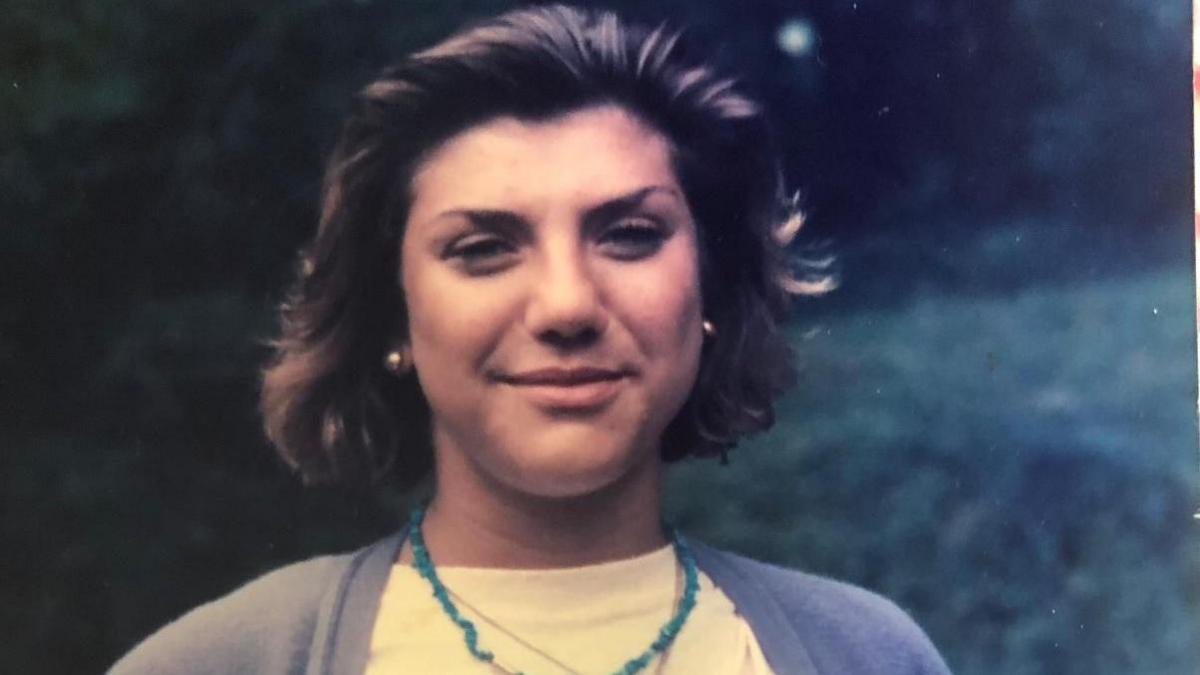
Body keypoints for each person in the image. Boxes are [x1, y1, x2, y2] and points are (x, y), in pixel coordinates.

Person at [110, 5, 950, 674]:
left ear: (711, 288)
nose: (566, 304)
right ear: (394, 316)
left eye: (627, 234)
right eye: (483, 249)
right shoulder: (223, 660)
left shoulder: (869, 654)